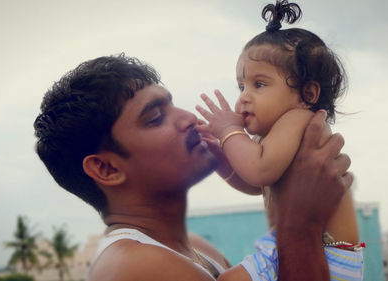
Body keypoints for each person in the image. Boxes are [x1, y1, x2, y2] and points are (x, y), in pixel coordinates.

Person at [33, 53, 353, 281]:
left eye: (171, 104)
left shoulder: (196, 248)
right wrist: (300, 223)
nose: (187, 117)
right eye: (155, 118)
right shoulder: (133, 267)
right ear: (105, 168)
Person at [196, 1, 363, 280]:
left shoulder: (298, 119)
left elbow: (259, 170)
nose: (244, 96)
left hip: (326, 253)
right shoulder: (273, 137)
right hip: (309, 246)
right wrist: (221, 160)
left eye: (259, 84)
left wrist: (228, 133)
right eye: (241, 85)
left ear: (307, 94)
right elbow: (256, 183)